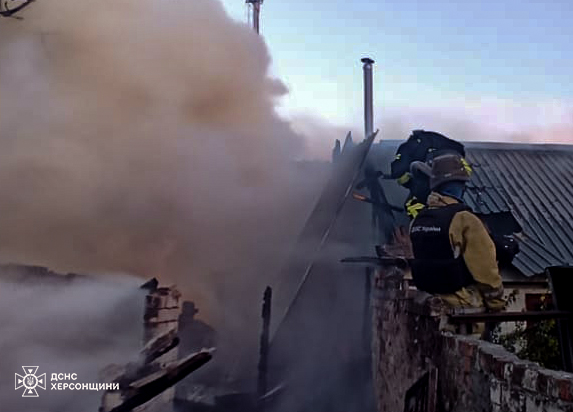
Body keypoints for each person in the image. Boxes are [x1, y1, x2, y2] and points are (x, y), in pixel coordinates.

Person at [408, 154, 505, 321]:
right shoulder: (464, 219)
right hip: (463, 313)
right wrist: (496, 305)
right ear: (458, 185)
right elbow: (485, 271)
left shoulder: (418, 220)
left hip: (428, 309)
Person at [389, 130, 470, 218]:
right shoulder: (439, 139)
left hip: (436, 169)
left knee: (413, 204)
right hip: (459, 170)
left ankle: (424, 221)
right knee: (453, 207)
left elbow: (398, 170)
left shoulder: (407, 146)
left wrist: (410, 184)